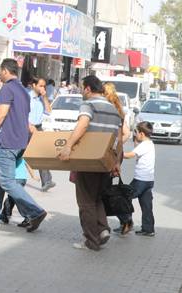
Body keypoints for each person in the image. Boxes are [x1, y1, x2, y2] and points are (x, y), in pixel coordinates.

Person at [0, 59, 47, 231]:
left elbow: (1, 114)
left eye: (0, 71)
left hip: (8, 142)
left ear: (5, 71)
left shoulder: (7, 89)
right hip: (20, 142)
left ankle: (35, 211)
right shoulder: (23, 90)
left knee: (6, 181)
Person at [58, 75, 123, 251]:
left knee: (86, 201)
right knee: (97, 198)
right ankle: (102, 230)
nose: (81, 91)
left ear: (87, 88)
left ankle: (91, 240)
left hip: (88, 160)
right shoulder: (113, 109)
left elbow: (83, 125)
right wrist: (116, 161)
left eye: (82, 88)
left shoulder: (89, 105)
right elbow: (119, 138)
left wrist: (68, 146)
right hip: (105, 162)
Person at [117, 122, 156, 237]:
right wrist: (135, 139)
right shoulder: (150, 144)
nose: (136, 134)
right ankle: (148, 229)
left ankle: (127, 222)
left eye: (137, 132)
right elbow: (137, 149)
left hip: (140, 181)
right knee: (146, 205)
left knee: (123, 199)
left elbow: (129, 155)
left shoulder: (144, 145)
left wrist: (118, 152)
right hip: (149, 181)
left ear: (142, 134)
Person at [25, 77, 56, 192]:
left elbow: (48, 111)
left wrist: (44, 97)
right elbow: (22, 113)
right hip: (28, 127)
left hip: (38, 127)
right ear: (33, 85)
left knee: (42, 154)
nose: (43, 88)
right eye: (40, 86)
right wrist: (29, 126)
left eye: (44, 86)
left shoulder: (41, 98)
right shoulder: (27, 97)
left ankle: (47, 181)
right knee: (22, 153)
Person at [0, 157, 30, 226]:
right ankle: (4, 216)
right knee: (12, 197)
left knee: (16, 198)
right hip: (22, 178)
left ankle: (28, 217)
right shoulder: (21, 154)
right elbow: (28, 165)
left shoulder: (12, 154)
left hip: (16, 178)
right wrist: (33, 176)